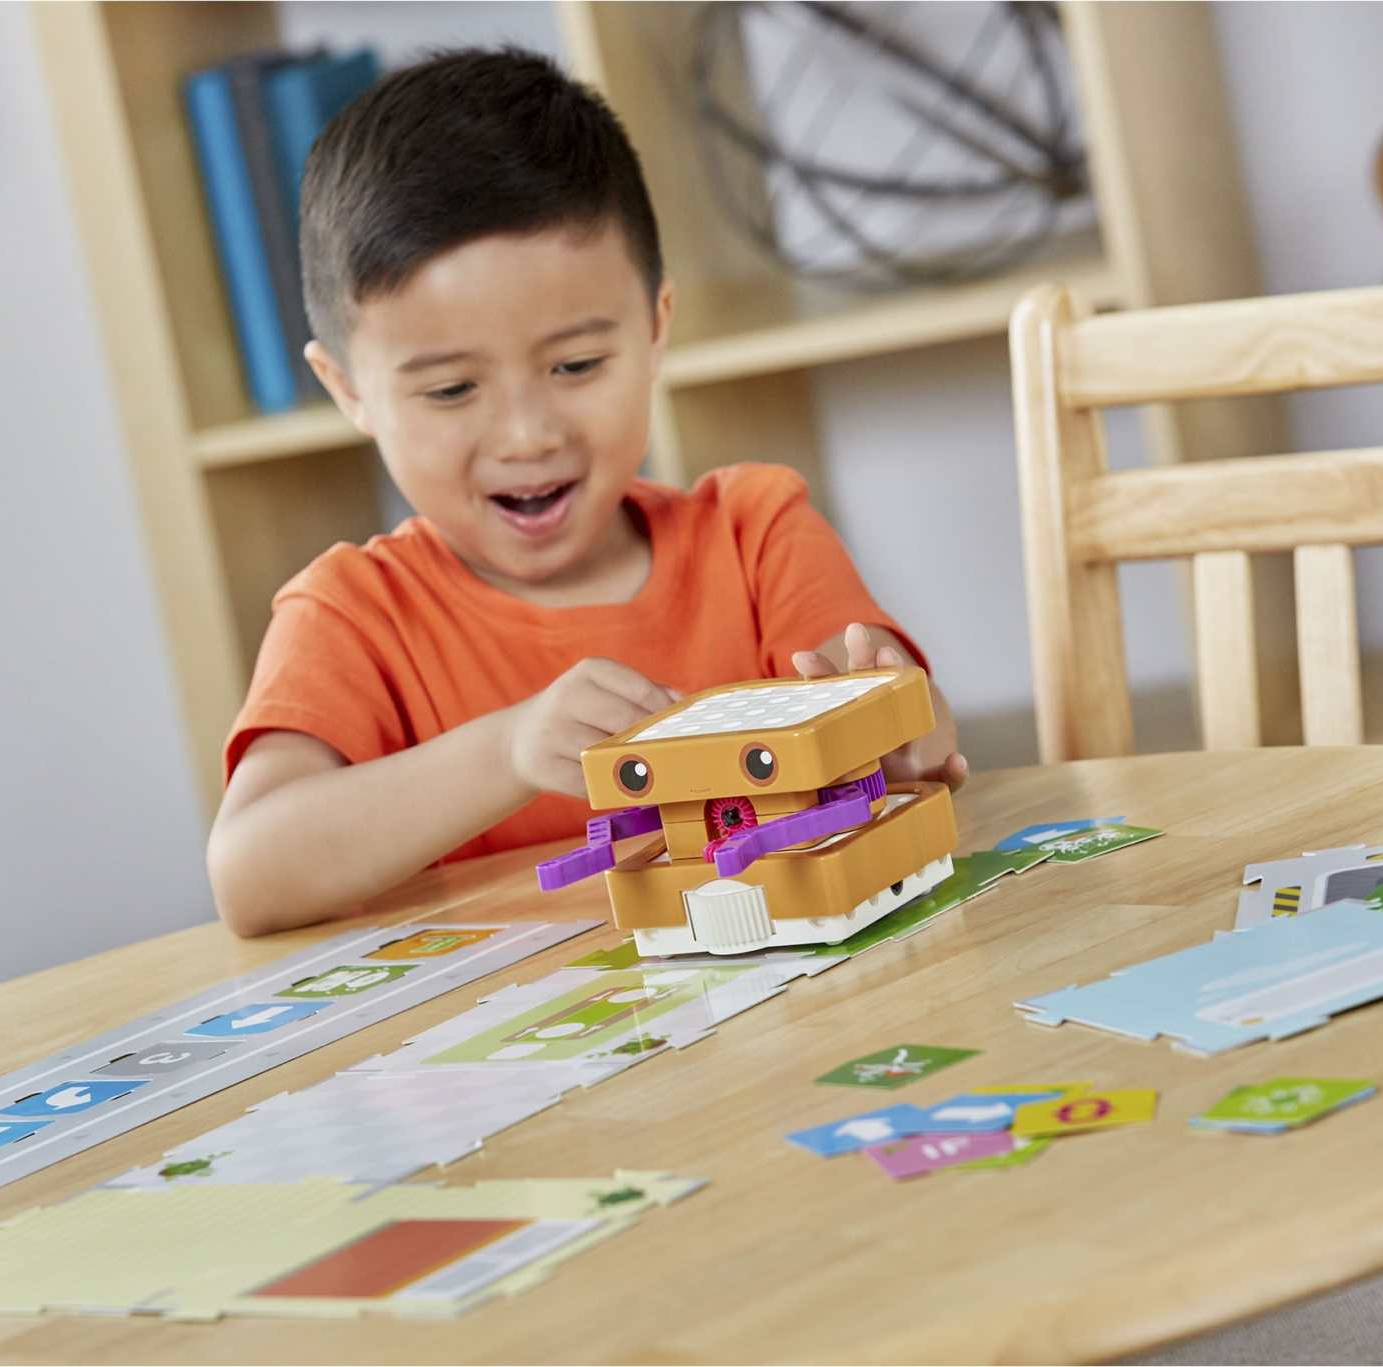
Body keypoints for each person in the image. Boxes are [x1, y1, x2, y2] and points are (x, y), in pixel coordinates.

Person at [206, 48, 965, 937]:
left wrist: (900, 722)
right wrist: (507, 749)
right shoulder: (352, 616)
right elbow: (249, 873)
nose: (528, 435)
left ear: (655, 328)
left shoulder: (755, 532)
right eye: (452, 389)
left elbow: (917, 726)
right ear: (348, 391)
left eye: (576, 365)